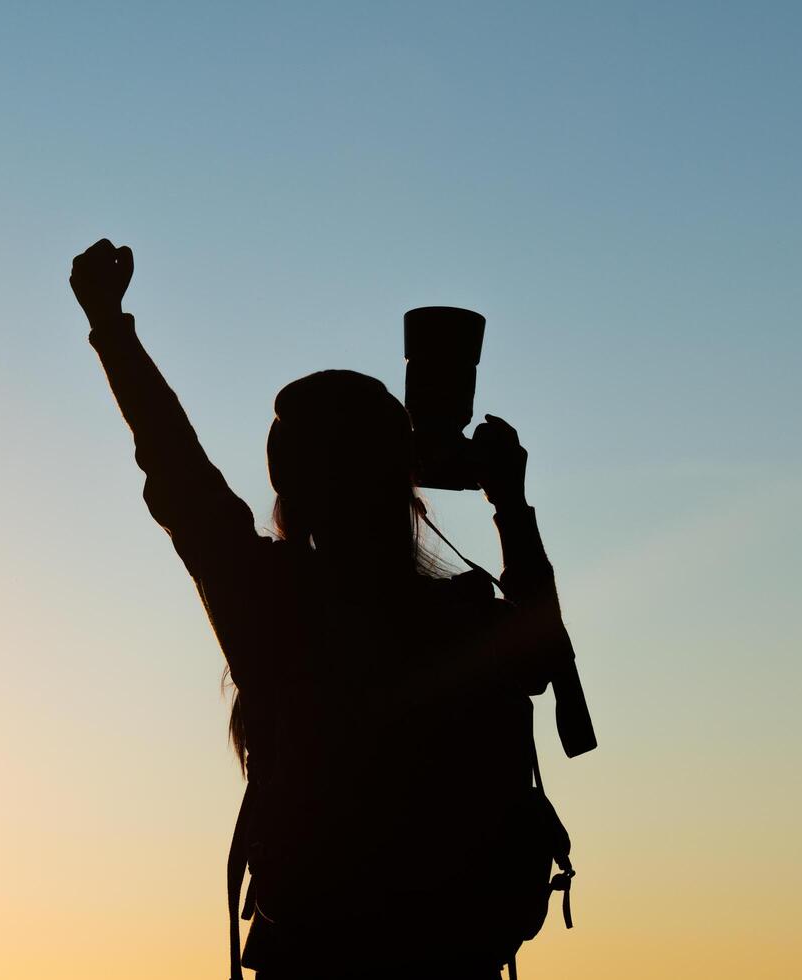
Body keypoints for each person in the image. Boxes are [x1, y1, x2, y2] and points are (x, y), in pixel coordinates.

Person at [70, 238, 580, 979]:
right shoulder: (460, 618)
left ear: (292, 489)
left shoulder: (271, 607)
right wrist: (511, 505)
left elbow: (177, 469)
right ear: (402, 485)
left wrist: (111, 327)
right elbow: (544, 656)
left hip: (313, 958)